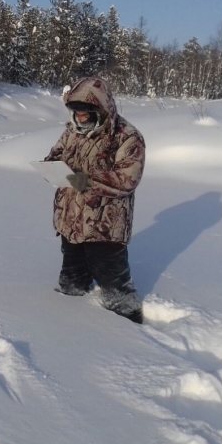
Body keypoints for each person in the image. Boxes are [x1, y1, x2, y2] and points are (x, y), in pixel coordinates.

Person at [44, 77, 145, 324]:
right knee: (71, 285)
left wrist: (87, 181)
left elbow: (127, 179)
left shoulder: (127, 137)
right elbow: (55, 156)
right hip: (71, 222)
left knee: (116, 289)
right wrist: (50, 169)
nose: (80, 118)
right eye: (76, 113)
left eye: (85, 113)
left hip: (105, 227)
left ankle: (132, 330)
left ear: (101, 109)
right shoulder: (71, 132)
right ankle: (72, 329)